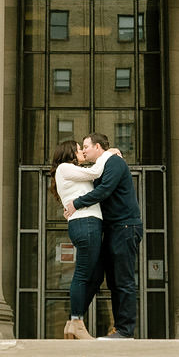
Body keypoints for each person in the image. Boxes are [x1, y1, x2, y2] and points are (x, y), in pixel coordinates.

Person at [63, 132, 141, 340]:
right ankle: (75, 320)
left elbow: (105, 190)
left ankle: (124, 331)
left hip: (125, 227)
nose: (83, 150)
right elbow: (91, 177)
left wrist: (76, 204)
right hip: (113, 229)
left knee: (122, 280)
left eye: (86, 147)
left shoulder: (114, 163)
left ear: (98, 147)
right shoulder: (102, 165)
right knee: (103, 277)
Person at [50, 139, 108, 342]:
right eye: (79, 149)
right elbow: (95, 173)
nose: (83, 152)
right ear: (70, 153)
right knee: (83, 274)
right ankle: (76, 321)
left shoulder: (69, 171)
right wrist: (107, 154)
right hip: (85, 224)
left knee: (96, 276)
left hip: (88, 224)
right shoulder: (65, 168)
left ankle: (72, 322)